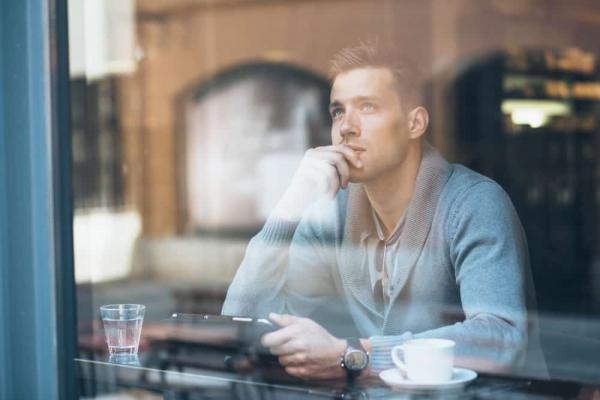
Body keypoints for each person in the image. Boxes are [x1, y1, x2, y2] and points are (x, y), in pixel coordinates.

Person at [222, 41, 546, 381]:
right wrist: (290, 206)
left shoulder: (473, 203)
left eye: (367, 106)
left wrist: (356, 355)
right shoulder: (332, 211)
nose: (346, 127)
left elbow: (500, 338)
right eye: (338, 111)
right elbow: (241, 322)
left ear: (414, 123)